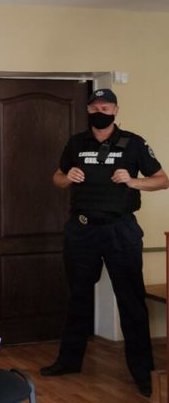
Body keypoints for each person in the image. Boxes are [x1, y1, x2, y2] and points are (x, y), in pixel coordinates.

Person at [40, 88, 168, 397]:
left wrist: (133, 181)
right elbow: (57, 178)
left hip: (119, 230)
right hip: (82, 229)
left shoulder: (134, 143)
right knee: (78, 297)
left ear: (115, 110)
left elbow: (162, 180)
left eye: (106, 107)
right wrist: (67, 177)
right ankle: (69, 361)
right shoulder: (76, 143)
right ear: (89, 110)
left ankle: (143, 373)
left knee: (131, 300)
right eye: (96, 107)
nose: (101, 111)